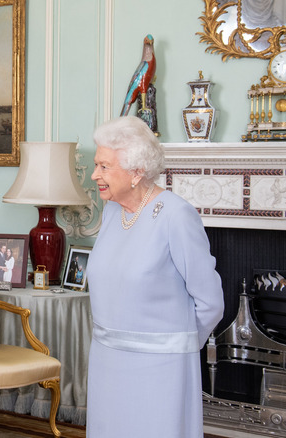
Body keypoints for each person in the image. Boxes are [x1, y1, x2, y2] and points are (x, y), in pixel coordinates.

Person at [85, 116, 224, 437]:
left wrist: (178, 346)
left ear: (136, 172)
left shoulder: (176, 215)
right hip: (108, 361)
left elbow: (211, 302)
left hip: (162, 369)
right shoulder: (112, 211)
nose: (95, 175)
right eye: (97, 165)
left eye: (104, 167)